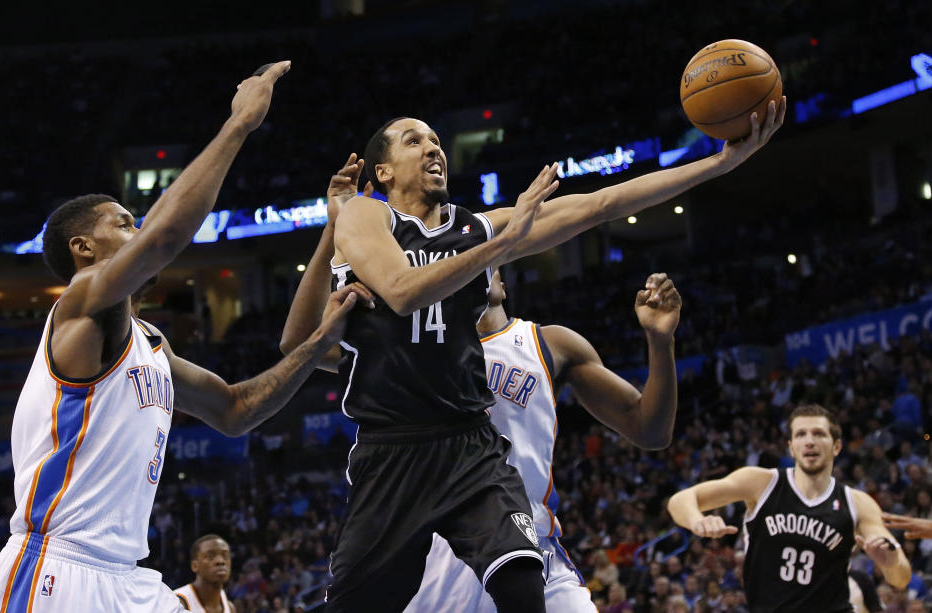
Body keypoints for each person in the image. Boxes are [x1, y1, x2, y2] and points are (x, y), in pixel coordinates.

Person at [283, 102, 784, 612]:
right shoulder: (371, 214)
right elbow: (399, 291)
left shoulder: (480, 238)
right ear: (382, 171)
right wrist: (504, 241)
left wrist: (719, 164)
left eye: (436, 139)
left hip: (467, 445)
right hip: (393, 452)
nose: (433, 147)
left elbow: (601, 204)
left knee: (524, 582)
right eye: (414, 140)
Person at [0, 62, 369, 613]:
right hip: (56, 570)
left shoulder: (151, 343)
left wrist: (320, 334)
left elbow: (236, 409)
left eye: (135, 222)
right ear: (83, 248)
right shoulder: (81, 304)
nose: (136, 231)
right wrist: (238, 126)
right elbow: (163, 240)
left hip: (128, 577)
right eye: (122, 222)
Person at [403, 268, 680, 612]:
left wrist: (660, 341)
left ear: (501, 285)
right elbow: (314, 341)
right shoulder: (412, 354)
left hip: (533, 546)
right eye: (458, 264)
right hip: (444, 558)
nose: (471, 270)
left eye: (482, 263)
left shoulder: (551, 344)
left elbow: (650, 430)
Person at [667, 404, 911, 612]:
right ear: (792, 447)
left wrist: (889, 563)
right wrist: (697, 520)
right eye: (801, 435)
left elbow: (901, 577)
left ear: (836, 447)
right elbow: (680, 500)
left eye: (818, 434)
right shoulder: (761, 483)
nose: (810, 441)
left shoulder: (858, 503)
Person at [174, 535, 236, 613]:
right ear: (194, 566)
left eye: (225, 556)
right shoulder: (177, 603)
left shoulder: (230, 608)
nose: (220, 561)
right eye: (210, 556)